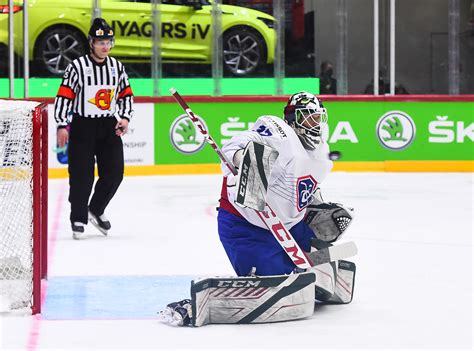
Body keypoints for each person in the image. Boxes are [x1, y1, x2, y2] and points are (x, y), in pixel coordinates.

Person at [158, 92, 356, 327]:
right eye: (308, 118)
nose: (315, 125)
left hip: (291, 227)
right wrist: (243, 158)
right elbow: (234, 145)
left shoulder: (321, 151)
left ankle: (299, 261)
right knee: (277, 282)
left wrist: (317, 206)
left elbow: (303, 184)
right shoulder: (277, 133)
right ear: (293, 118)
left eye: (318, 118)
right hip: (246, 226)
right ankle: (203, 304)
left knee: (311, 280)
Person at [54, 18, 134, 240]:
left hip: (108, 125)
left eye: (108, 41)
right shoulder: (77, 67)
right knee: (81, 176)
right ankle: (78, 217)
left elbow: (126, 95)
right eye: (100, 42)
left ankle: (96, 209)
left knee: (115, 172)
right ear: (91, 43)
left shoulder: (117, 67)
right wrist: (62, 124)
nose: (105, 46)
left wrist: (125, 118)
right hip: (82, 126)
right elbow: (64, 96)